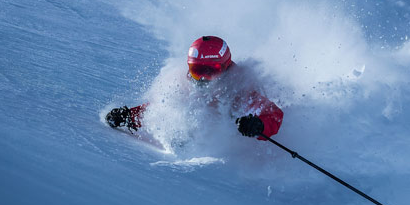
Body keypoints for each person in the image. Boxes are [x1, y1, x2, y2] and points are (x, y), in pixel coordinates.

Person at [106, 36, 283, 140]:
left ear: (225, 66)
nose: (203, 79)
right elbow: (163, 111)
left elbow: (274, 115)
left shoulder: (241, 87)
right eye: (197, 70)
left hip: (234, 155)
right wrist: (129, 116)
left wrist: (258, 125)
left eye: (210, 71)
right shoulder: (184, 83)